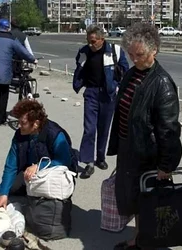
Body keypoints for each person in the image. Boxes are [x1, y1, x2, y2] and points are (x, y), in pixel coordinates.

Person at [106, 22, 182, 250]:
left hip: (148, 155)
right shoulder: (132, 73)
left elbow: (169, 130)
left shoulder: (162, 83)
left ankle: (145, 243)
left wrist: (166, 165)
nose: (134, 58)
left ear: (154, 50)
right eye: (130, 54)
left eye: (139, 54)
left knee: (148, 202)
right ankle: (139, 239)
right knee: (137, 201)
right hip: (131, 150)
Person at [0, 100, 73, 211]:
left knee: (46, 201)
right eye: (18, 122)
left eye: (23, 123)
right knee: (10, 188)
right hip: (28, 170)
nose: (19, 126)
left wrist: (39, 166)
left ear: (36, 124)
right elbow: (11, 165)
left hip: (54, 172)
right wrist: (3, 194)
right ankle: (28, 189)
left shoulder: (55, 134)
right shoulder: (19, 134)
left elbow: (64, 161)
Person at [73, 24, 129, 179]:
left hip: (108, 94)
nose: (90, 45)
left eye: (93, 41)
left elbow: (125, 70)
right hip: (91, 93)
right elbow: (78, 68)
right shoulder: (84, 51)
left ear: (102, 39)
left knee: (104, 128)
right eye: (88, 41)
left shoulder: (114, 51)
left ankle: (100, 157)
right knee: (89, 129)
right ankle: (88, 163)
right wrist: (78, 83)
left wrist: (117, 87)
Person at [0, 19, 36, 130]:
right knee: (3, 93)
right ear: (7, 28)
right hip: (5, 70)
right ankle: (1, 119)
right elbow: (22, 51)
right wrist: (32, 59)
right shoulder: (11, 39)